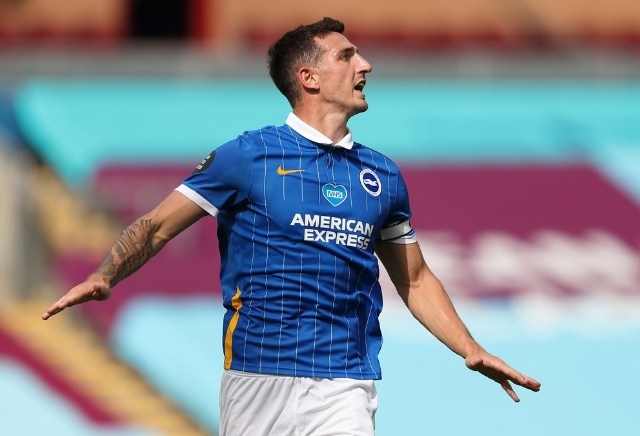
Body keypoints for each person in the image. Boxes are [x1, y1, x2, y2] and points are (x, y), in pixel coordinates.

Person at [42, 17, 541, 435]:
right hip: (257, 378)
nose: (365, 65)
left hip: (345, 381)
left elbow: (414, 278)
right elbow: (156, 227)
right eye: (347, 56)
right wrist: (106, 274)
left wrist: (469, 348)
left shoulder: (382, 176)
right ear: (309, 77)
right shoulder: (248, 156)